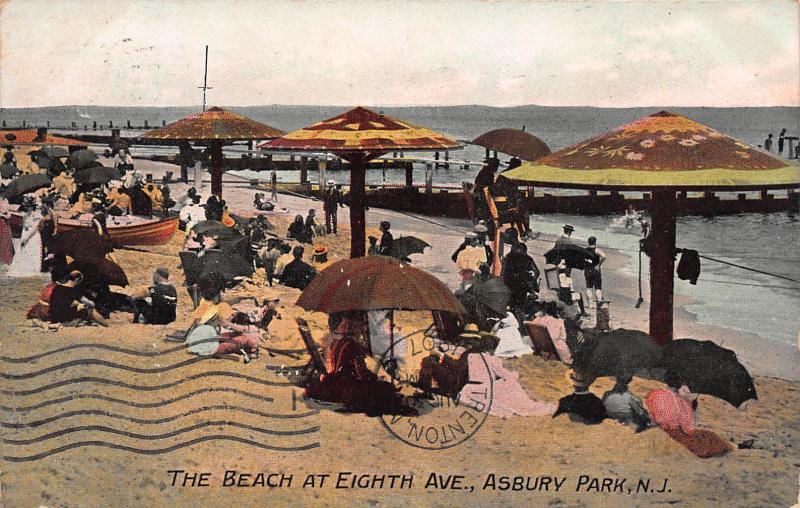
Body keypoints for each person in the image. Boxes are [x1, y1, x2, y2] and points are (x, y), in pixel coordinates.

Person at [305, 312, 416, 417]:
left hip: (335, 380)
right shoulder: (353, 346)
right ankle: (399, 403)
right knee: (384, 388)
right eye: (359, 326)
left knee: (382, 387)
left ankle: (397, 399)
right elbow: (361, 373)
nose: (362, 329)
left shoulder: (337, 342)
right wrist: (375, 379)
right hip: (349, 385)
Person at [645, 374, 732, 458]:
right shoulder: (682, 400)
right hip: (678, 434)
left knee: (708, 437)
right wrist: (692, 409)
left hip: (666, 431)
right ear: (680, 383)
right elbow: (687, 426)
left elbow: (655, 417)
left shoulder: (657, 394)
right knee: (711, 438)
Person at [7, 202, 43, 277]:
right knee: (24, 251)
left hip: (33, 237)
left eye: (28, 206)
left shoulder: (37, 215)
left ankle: (32, 270)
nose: (27, 208)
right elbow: (24, 227)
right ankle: (22, 269)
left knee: (32, 252)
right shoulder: (26, 215)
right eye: (26, 206)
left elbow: (35, 228)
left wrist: (27, 238)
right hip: (25, 234)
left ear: (32, 207)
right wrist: (23, 237)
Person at [501, 241, 539, 312]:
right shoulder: (527, 258)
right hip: (521, 287)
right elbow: (536, 272)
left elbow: (503, 273)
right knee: (520, 308)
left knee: (513, 309)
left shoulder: (508, 257)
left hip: (511, 287)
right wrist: (531, 281)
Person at [584, 236, 606, 304]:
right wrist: (599, 264)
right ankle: (599, 303)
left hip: (587, 270)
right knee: (598, 288)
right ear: (595, 242)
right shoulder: (597, 250)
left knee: (589, 287)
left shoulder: (585, 250)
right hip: (596, 270)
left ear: (588, 242)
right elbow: (604, 256)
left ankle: (590, 304)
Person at [0, 198, 14, 266]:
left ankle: (6, 258)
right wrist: (4, 215)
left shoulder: (5, 200)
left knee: (6, 238)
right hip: (1, 220)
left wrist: (8, 214)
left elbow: (7, 210)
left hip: (5, 221)